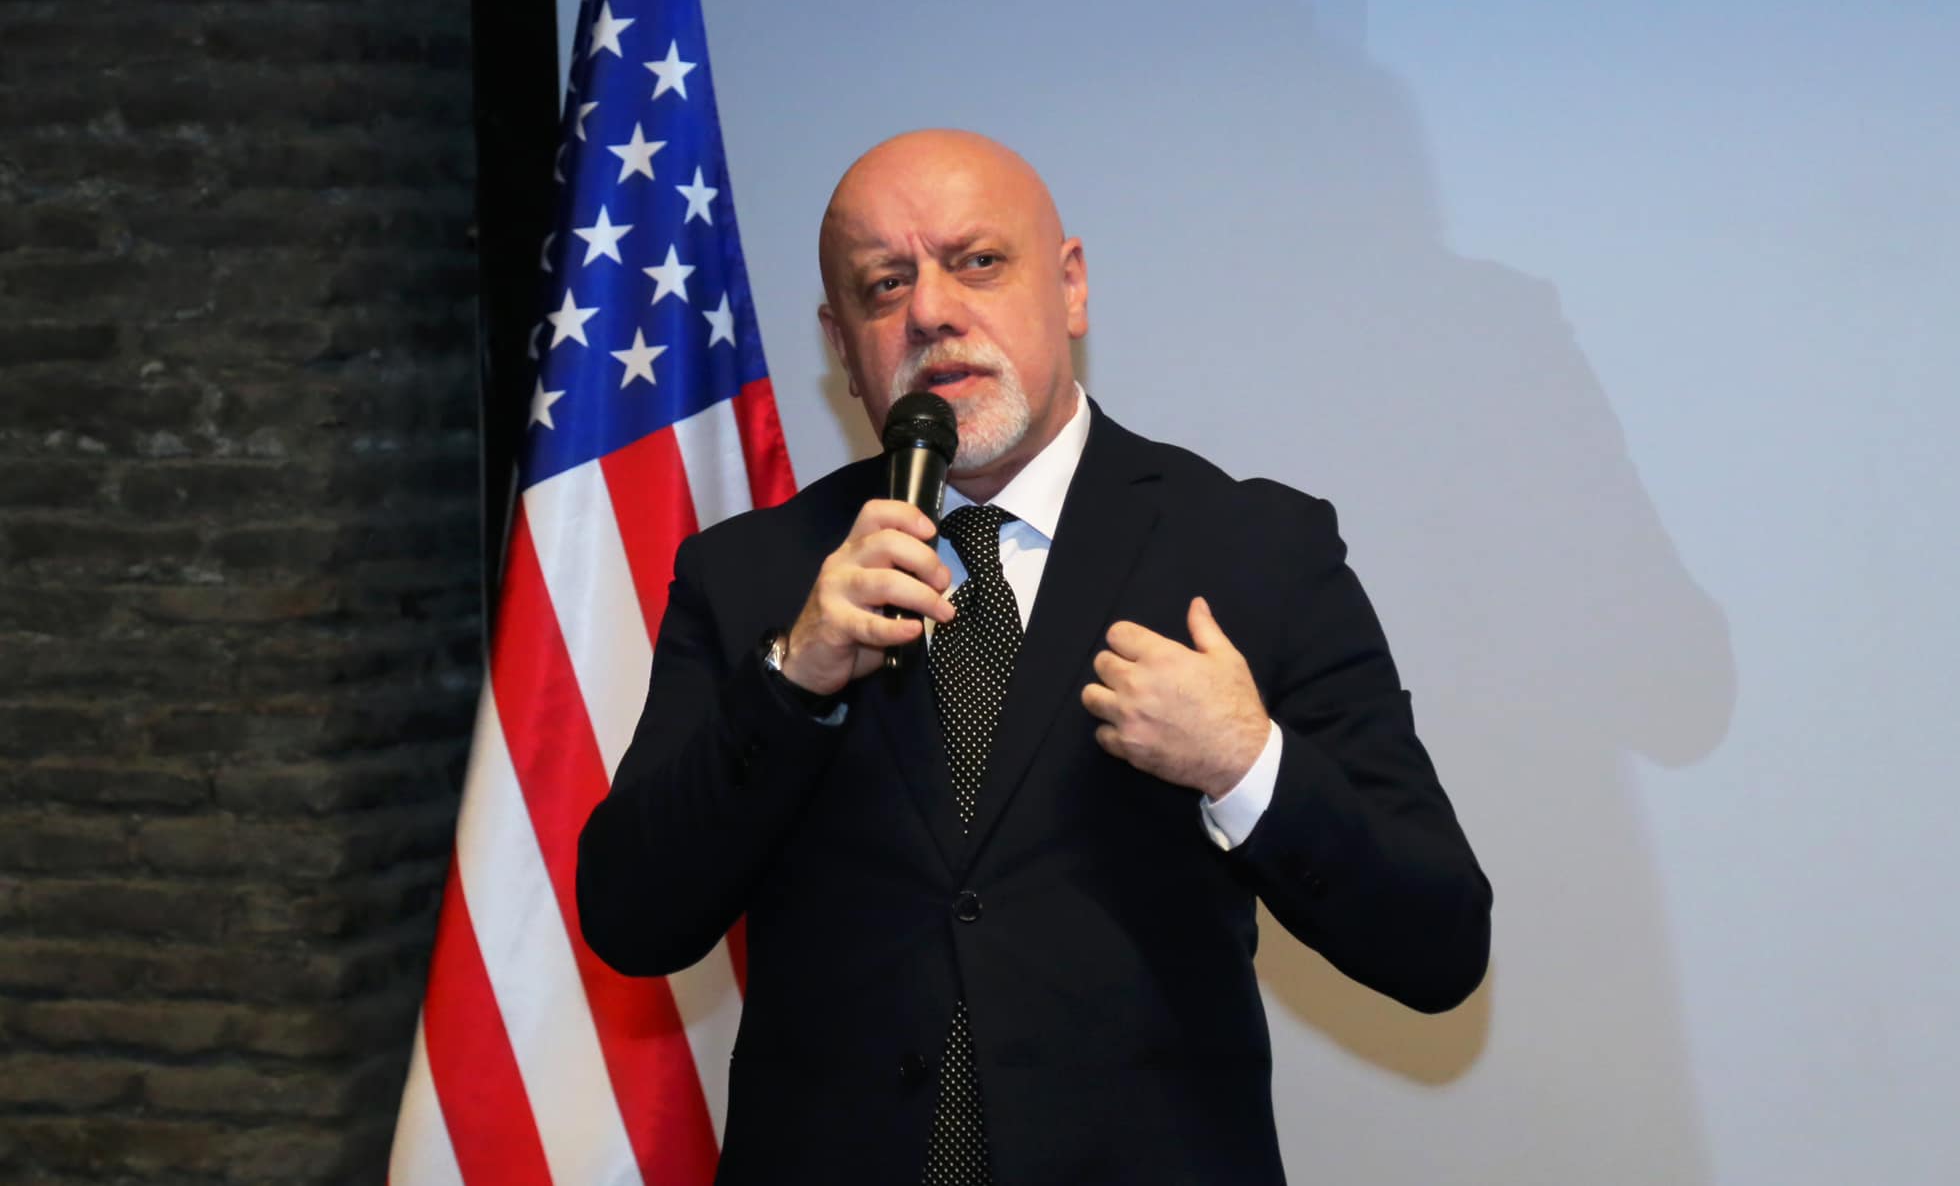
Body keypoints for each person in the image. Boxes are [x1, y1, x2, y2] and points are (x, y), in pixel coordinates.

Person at [576, 129, 1490, 1184]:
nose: (929, 311)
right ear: (840, 345)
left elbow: (1437, 944)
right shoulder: (755, 574)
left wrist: (1245, 762)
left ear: (1071, 287)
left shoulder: (1252, 549)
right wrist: (791, 678)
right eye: (884, 285)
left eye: (977, 262)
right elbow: (631, 919)